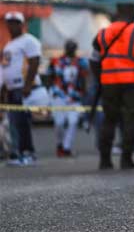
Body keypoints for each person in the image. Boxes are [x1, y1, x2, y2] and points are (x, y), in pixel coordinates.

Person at [92, 2, 134, 170]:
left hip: (109, 82)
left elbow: (94, 59)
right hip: (133, 81)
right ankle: (126, 159)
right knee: (131, 119)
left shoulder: (102, 34)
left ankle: (105, 161)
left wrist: (100, 77)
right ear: (131, 13)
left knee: (109, 120)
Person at [1, 12, 43, 166]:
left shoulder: (29, 41)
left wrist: (27, 85)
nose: (12, 26)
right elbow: (6, 69)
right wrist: (4, 90)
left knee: (22, 122)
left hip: (22, 87)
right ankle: (18, 153)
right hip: (12, 89)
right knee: (14, 123)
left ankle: (28, 153)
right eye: (9, 23)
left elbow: (34, 62)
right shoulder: (10, 44)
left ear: (22, 24)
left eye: (15, 22)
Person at [47, 39, 89, 157]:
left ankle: (67, 147)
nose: (71, 49)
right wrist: (50, 92)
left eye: (73, 47)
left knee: (73, 121)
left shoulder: (81, 62)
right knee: (59, 122)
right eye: (69, 47)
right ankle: (60, 144)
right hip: (59, 95)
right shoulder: (55, 61)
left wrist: (84, 93)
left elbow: (84, 78)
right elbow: (49, 75)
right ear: (65, 48)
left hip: (75, 97)